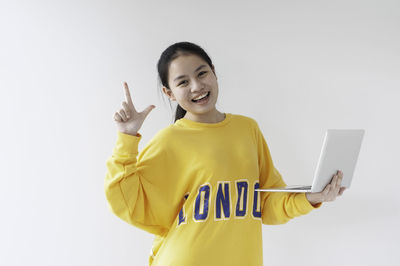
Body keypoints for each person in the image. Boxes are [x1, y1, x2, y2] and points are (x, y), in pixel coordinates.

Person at [104, 41, 346, 266]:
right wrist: (126, 137)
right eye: (183, 82)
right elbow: (124, 199)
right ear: (170, 93)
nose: (197, 86)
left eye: (202, 73)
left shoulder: (246, 129)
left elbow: (266, 203)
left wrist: (312, 198)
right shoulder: (170, 140)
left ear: (214, 71)